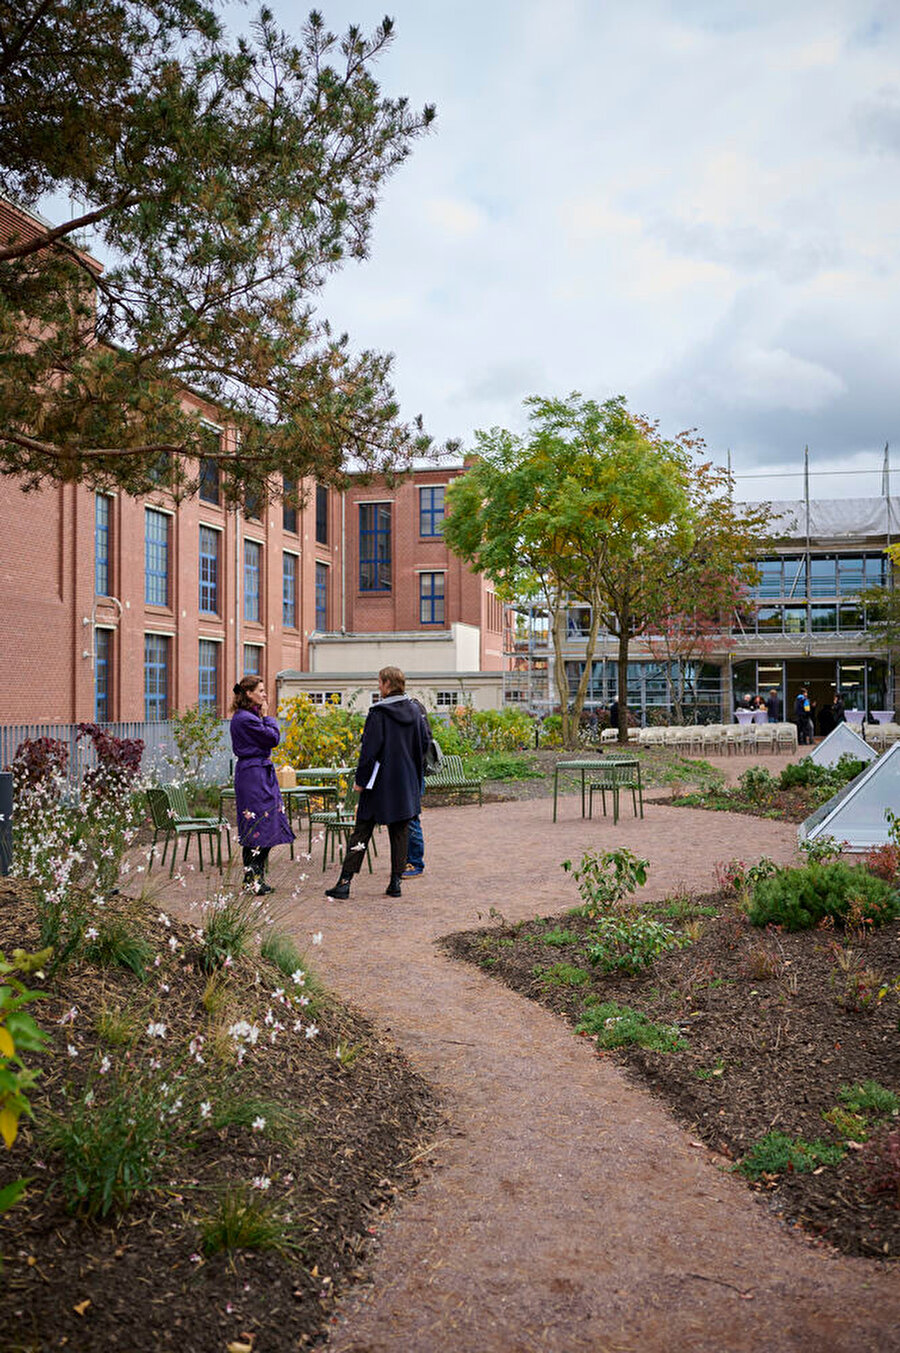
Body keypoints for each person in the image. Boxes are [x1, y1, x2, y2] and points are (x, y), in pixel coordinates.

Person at [325, 665, 427, 901]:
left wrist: (360, 781)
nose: (378, 687)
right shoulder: (415, 710)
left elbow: (369, 752)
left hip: (378, 783)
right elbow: (423, 744)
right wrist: (413, 774)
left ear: (388, 684)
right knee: (400, 833)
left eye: (380, 682)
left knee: (361, 832)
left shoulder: (378, 713)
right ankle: (395, 883)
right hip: (405, 782)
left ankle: (344, 883)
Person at [230, 675, 294, 893]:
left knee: (266, 823)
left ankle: (254, 878)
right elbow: (273, 738)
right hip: (253, 776)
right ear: (249, 693)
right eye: (261, 690)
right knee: (256, 824)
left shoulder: (249, 716)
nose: (265, 694)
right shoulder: (245, 719)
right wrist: (267, 716)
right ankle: (252, 879)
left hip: (259, 773)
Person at [404, 695, 434, 878]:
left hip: (413, 773)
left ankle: (415, 862)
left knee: (411, 818)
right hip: (415, 772)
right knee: (410, 818)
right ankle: (410, 860)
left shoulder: (413, 710)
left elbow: (423, 743)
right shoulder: (417, 711)